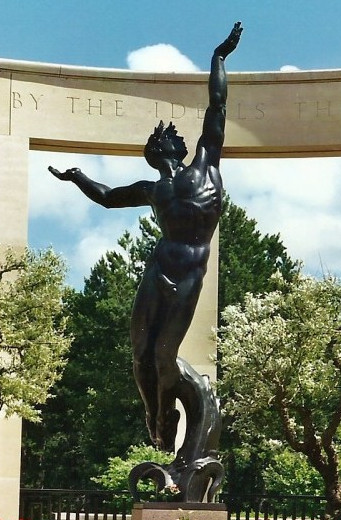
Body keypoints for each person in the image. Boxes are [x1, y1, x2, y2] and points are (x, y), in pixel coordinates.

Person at [49, 22, 242, 452]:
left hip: (189, 274)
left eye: (163, 139)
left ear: (173, 149)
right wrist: (76, 176)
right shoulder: (152, 190)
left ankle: (165, 415)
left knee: (162, 355)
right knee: (140, 355)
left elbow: (218, 104)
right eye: (154, 142)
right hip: (157, 271)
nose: (158, 142)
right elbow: (107, 197)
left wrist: (219, 57)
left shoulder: (206, 166)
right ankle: (154, 413)